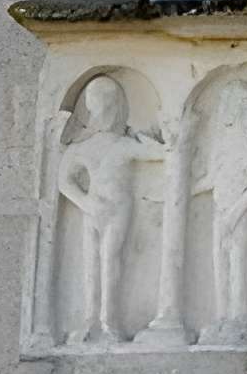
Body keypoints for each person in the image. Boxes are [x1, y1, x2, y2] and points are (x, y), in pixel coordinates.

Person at [53, 74, 168, 344]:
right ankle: (90, 320)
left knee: (110, 259)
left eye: (108, 98)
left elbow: (162, 155)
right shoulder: (83, 147)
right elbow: (64, 181)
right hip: (93, 208)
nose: (103, 105)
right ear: (89, 105)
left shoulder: (124, 145)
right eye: (97, 98)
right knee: (91, 262)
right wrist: (85, 202)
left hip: (118, 209)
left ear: (118, 104)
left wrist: (146, 135)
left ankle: (108, 321)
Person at [193, 82, 247, 343]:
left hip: (243, 208)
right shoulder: (221, 142)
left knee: (239, 259)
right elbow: (210, 179)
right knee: (219, 260)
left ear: (241, 107)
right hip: (221, 208)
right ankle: (222, 317)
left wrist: (237, 209)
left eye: (229, 104)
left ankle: (239, 318)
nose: (224, 110)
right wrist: (181, 191)